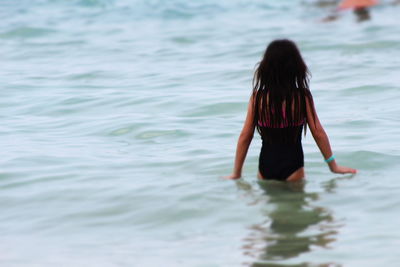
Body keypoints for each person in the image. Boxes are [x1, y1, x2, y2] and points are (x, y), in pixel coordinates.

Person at [226, 40, 357, 182]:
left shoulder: (258, 98)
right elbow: (317, 132)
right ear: (296, 67)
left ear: (266, 67)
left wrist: (236, 173)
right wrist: (333, 166)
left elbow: (246, 135)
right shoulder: (302, 97)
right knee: (295, 203)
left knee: (269, 203)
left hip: (265, 168)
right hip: (294, 168)